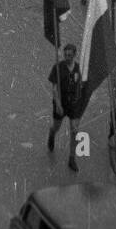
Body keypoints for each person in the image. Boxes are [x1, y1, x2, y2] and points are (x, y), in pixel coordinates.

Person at [48, 42, 82, 174]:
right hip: (60, 103)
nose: (67, 57)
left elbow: (81, 85)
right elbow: (55, 89)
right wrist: (58, 104)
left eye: (70, 55)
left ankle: (72, 158)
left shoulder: (78, 68)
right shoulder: (58, 68)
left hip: (73, 104)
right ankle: (51, 134)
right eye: (65, 54)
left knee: (74, 130)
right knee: (56, 126)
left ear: (74, 55)